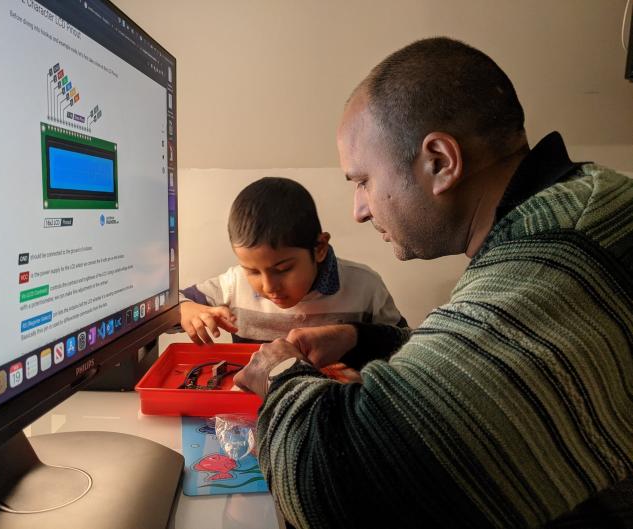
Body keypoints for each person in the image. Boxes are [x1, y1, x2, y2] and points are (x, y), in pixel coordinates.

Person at [233, 37, 633, 528]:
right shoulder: (579, 205)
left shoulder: (560, 253)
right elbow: (494, 350)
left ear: (441, 162)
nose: (359, 210)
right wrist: (365, 341)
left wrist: (279, 373)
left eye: (362, 181)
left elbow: (339, 493)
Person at [179, 176, 406, 345]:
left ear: (319, 248)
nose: (268, 287)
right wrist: (185, 309)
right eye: (253, 271)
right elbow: (165, 308)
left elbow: (404, 346)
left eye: (283, 269)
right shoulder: (233, 285)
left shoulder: (366, 287)